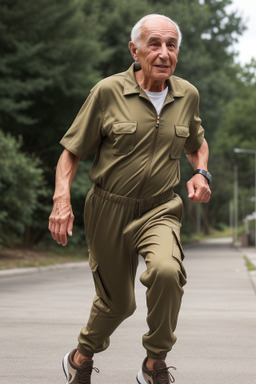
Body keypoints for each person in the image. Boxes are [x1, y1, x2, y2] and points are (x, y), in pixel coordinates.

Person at [49, 13, 211, 384]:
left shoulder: (187, 95)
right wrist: (61, 201)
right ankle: (80, 356)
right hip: (109, 208)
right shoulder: (107, 91)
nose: (164, 53)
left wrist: (201, 172)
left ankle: (155, 362)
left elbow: (197, 144)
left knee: (168, 273)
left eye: (172, 45)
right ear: (134, 50)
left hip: (160, 207)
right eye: (154, 43)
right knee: (118, 303)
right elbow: (71, 152)